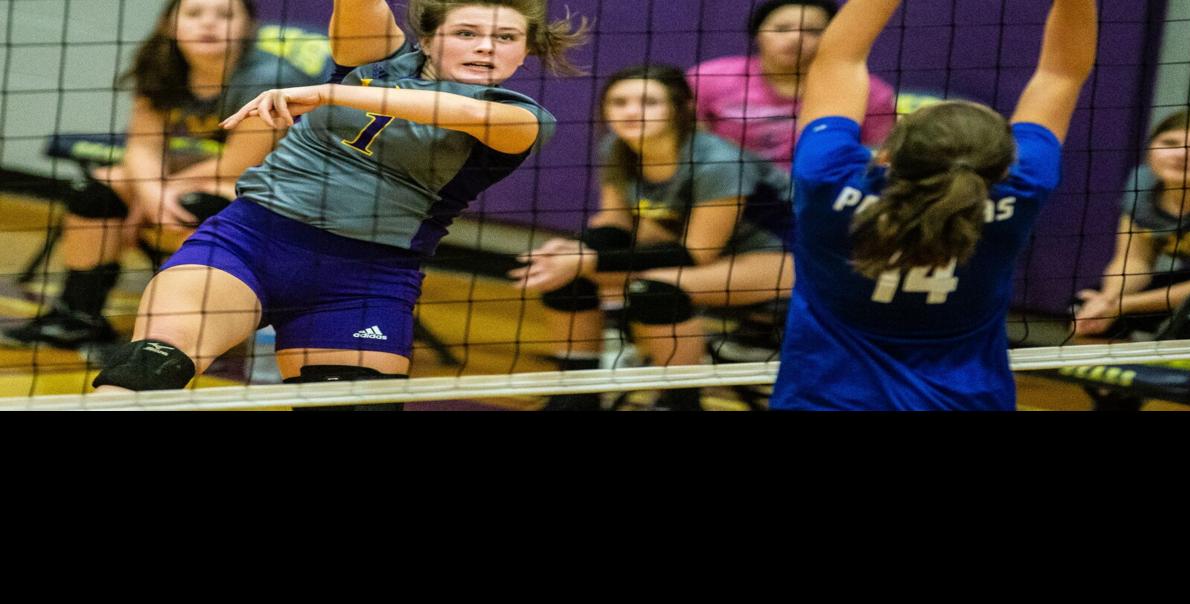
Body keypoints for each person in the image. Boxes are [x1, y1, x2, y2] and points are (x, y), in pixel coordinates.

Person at [88, 0, 584, 409]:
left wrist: (330, 93)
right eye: (467, 32)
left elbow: (460, 109)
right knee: (146, 371)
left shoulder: (523, 119)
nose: (484, 46)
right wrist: (342, 89)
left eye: (505, 38)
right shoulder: (374, 61)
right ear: (429, 39)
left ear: (525, 53)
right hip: (248, 245)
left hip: (365, 282)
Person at [771, 0, 1097, 410]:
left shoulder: (827, 179)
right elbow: (1061, 74)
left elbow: (838, 59)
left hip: (824, 400)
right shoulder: (1021, 190)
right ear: (1002, 166)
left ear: (885, 154)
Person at [2, 0, 325, 350]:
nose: (208, 24)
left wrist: (153, 197)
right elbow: (141, 146)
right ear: (169, 25)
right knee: (96, 191)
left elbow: (237, 164)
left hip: (270, 178)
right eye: (194, 13)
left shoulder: (268, 78)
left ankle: (188, 327)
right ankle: (78, 315)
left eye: (225, 15)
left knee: (197, 205)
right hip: (186, 171)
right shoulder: (159, 66)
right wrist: (151, 195)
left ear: (249, 29)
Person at [511, 64, 794, 412]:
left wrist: (589, 259)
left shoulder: (716, 162)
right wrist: (576, 249)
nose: (631, 112)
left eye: (648, 102)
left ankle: (681, 402)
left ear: (679, 109)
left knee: (658, 291)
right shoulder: (617, 147)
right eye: (619, 102)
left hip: (784, 255)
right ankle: (577, 396)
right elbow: (616, 222)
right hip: (705, 250)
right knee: (566, 275)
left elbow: (696, 255)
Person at [687, 0, 897, 172]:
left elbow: (879, 158)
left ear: (832, 38)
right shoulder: (707, 78)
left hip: (822, 195)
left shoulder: (870, 92)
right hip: (730, 191)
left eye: (813, 31)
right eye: (782, 29)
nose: (796, 38)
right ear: (757, 33)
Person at [1071, 108, 1190, 340]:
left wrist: (1125, 305)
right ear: (1150, 150)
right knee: (1084, 305)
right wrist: (1108, 299)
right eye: (1170, 143)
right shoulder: (1143, 184)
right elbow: (1134, 260)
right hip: (1188, 282)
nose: (1181, 154)